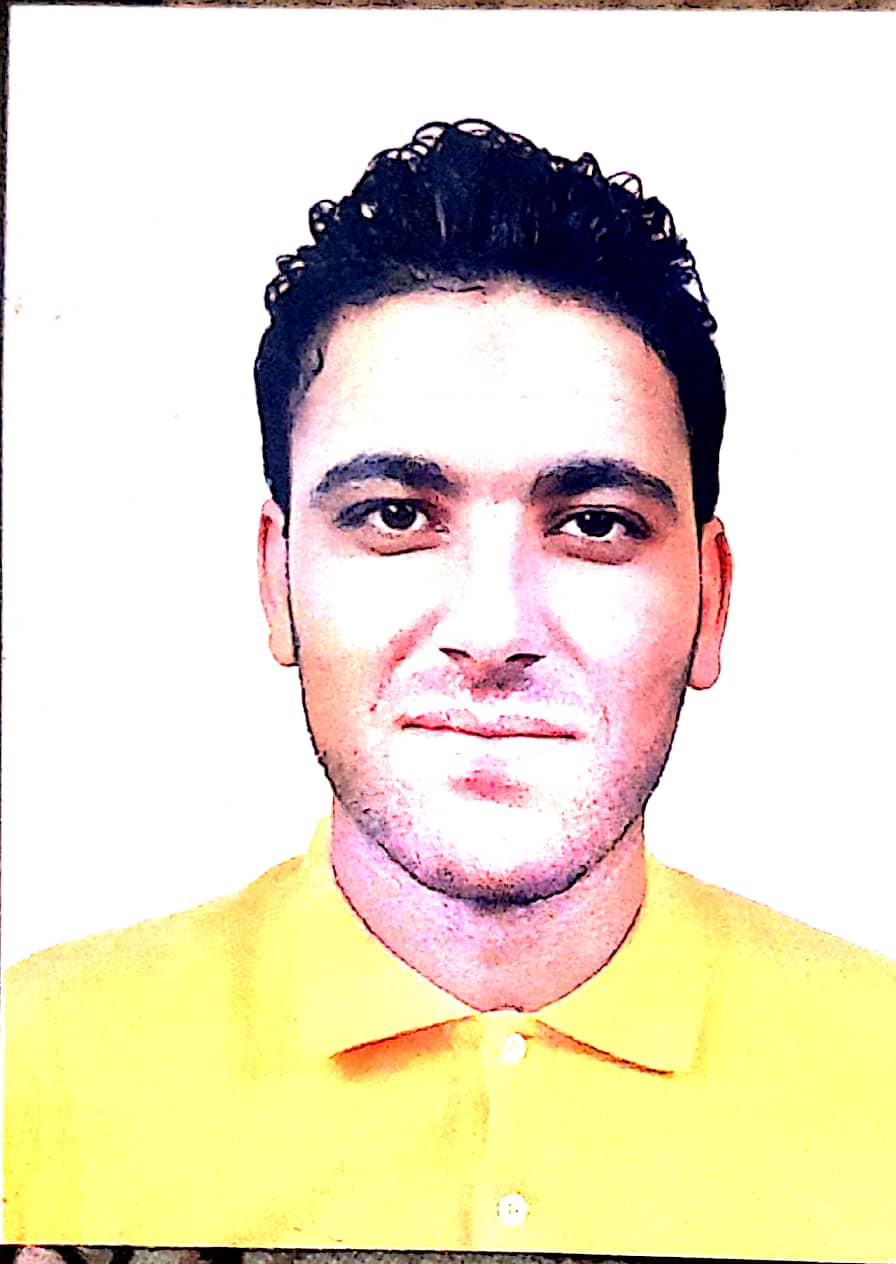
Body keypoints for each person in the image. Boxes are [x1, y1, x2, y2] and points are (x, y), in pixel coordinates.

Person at [5, 120, 894, 1257]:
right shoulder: (33, 1069)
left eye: (595, 524)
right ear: (276, 582)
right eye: (393, 515)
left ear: (710, 599)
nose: (491, 631)